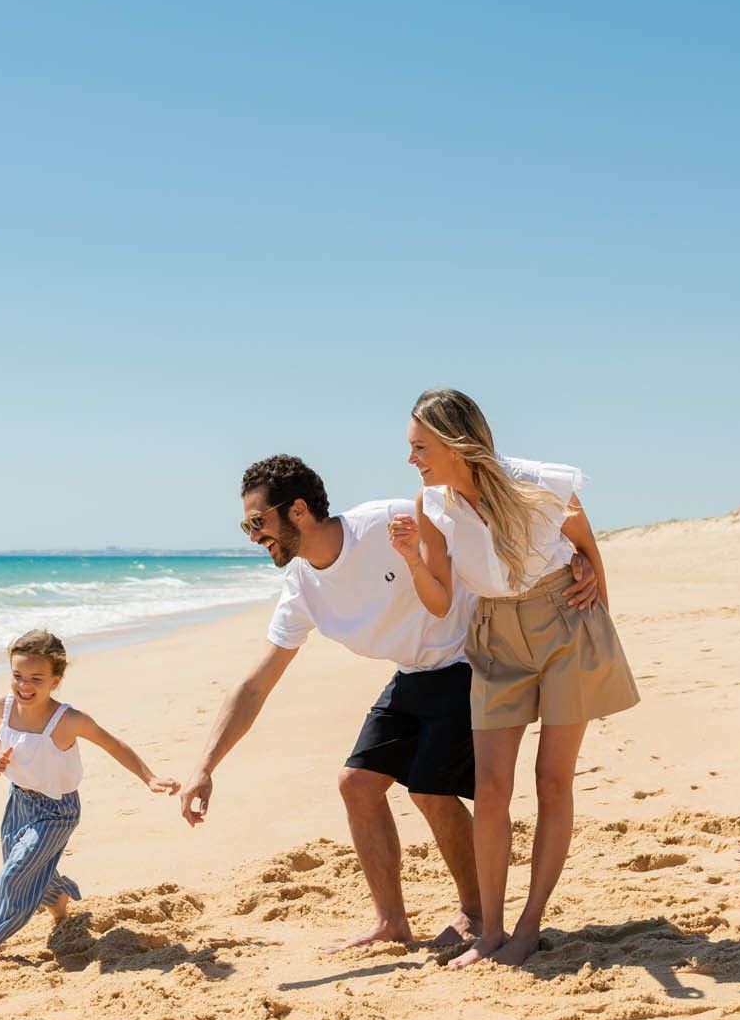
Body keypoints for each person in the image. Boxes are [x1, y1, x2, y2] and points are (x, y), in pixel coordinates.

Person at [178, 454, 598, 950]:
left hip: (470, 658)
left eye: (257, 521)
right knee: (357, 785)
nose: (252, 535)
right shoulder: (302, 585)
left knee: (429, 788)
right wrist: (205, 766)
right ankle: (391, 923)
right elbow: (256, 685)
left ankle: (477, 913)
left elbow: (482, 527)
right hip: (414, 672)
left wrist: (574, 556)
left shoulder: (386, 523)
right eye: (245, 524)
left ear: (297, 511)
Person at [389, 388, 639, 969]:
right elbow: (439, 598)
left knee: (552, 782)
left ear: (454, 443)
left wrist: (592, 600)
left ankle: (529, 928)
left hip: (564, 626)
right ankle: (491, 931)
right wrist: (409, 558)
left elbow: (589, 554)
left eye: (419, 447)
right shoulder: (432, 504)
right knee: (494, 788)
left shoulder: (540, 483)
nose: (411, 459)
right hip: (495, 635)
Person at [0, 629, 179, 964]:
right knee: (25, 867)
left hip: (56, 811)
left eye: (36, 678)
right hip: (17, 802)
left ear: (56, 680)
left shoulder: (68, 720)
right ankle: (59, 897)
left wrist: (149, 778)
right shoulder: (3, 707)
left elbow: (113, 744)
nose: (24, 686)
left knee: (14, 876)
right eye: (17, 676)